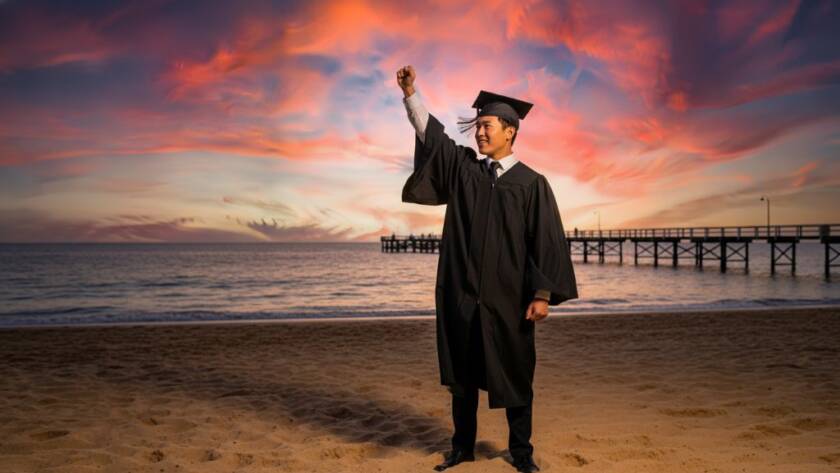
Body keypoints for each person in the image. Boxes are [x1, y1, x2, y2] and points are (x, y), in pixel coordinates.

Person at [396, 65, 578, 472]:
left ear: (510, 131)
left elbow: (545, 241)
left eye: (487, 125)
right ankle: (461, 449)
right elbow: (433, 137)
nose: (479, 132)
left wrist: (542, 295)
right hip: (463, 295)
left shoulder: (532, 184)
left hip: (509, 300)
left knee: (516, 374)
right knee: (461, 377)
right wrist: (411, 94)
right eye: (477, 125)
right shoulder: (465, 171)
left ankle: (522, 453)